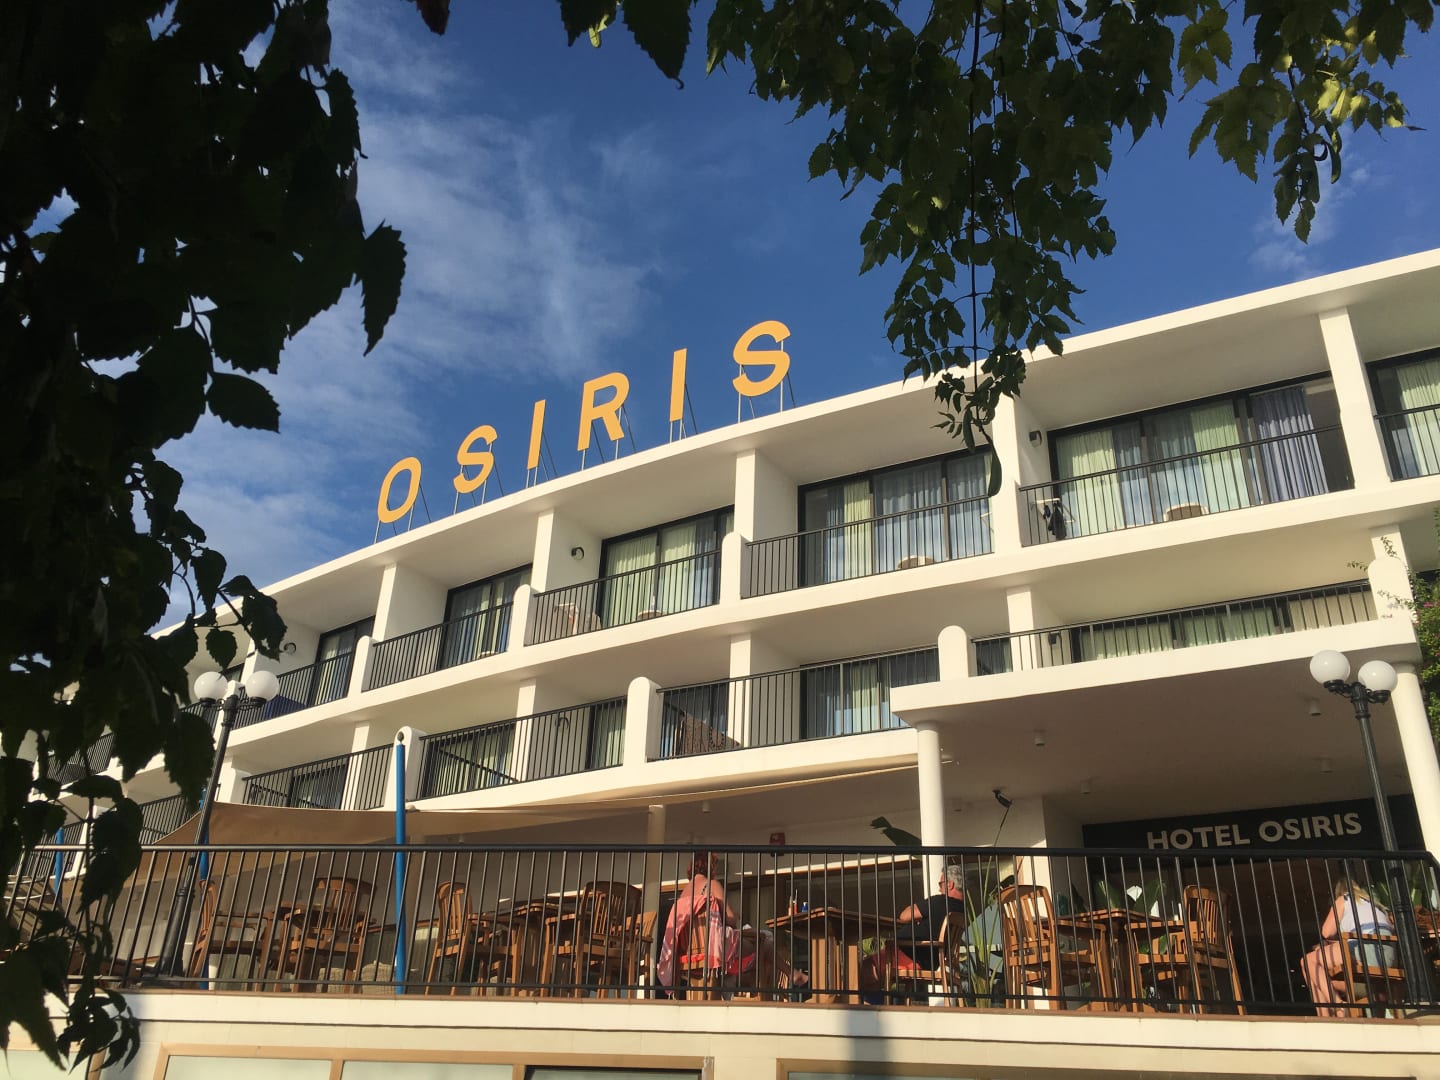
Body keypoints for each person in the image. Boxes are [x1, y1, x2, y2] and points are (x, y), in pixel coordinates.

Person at [655, 853, 807, 997]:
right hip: (715, 949)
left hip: (688, 954)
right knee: (765, 943)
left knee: (750, 955)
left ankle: (754, 985)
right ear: (710, 867)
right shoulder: (711, 885)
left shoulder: (683, 895)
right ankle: (782, 980)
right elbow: (731, 920)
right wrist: (734, 915)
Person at [1301, 876, 1397, 1017]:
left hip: (1366, 948)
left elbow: (1326, 932)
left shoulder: (1344, 899)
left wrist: (1329, 944)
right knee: (1320, 978)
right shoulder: (1377, 906)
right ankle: (1332, 1016)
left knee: (1308, 962)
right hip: (1388, 957)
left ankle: (1338, 1007)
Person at [862, 864, 967, 993]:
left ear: (950, 884)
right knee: (873, 978)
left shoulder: (940, 902)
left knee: (860, 969)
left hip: (910, 955)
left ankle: (853, 1000)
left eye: (941, 884)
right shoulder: (961, 910)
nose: (939, 889)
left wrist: (917, 919)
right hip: (929, 960)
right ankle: (866, 1003)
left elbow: (904, 915)